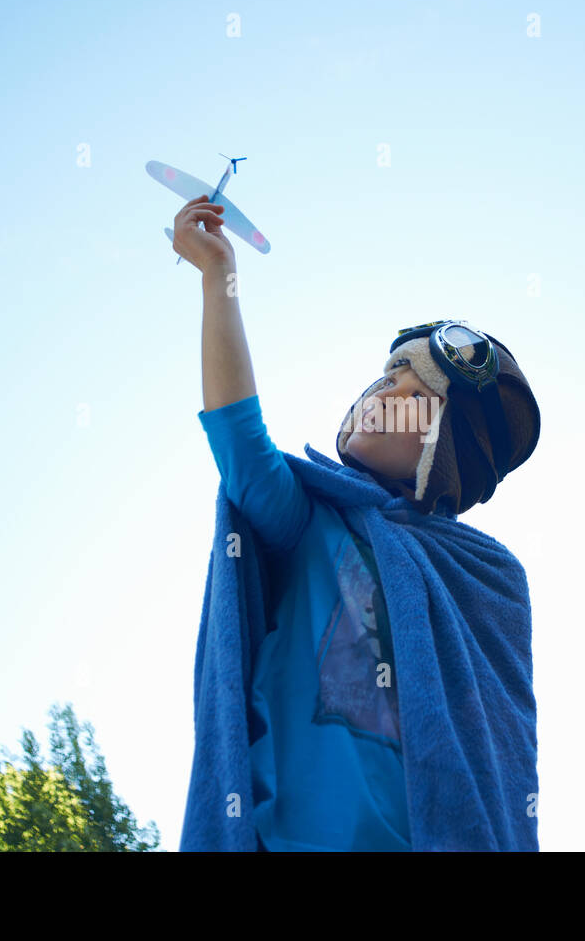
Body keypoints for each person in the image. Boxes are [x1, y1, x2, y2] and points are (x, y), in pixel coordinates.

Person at [174, 195, 542, 851]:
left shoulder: (490, 579)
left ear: (445, 445)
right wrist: (217, 276)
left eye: (409, 384)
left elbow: (498, 763)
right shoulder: (308, 519)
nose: (381, 389)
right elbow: (240, 440)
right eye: (381, 373)